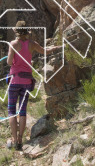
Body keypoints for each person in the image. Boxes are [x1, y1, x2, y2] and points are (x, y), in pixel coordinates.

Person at [6, 20, 57, 150]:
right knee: (22, 111)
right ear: (27, 32)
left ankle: (14, 138)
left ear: (16, 32)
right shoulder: (32, 44)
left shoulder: (13, 44)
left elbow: (9, 62)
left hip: (14, 81)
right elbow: (45, 51)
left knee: (12, 111)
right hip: (26, 81)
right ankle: (20, 139)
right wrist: (57, 47)